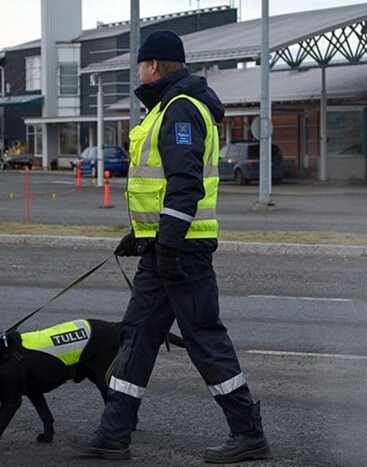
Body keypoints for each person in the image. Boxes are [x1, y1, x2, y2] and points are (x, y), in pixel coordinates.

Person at [66, 30, 270, 464]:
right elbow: (158, 188)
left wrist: (170, 245)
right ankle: (114, 433)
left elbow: (185, 184)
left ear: (154, 65)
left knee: (203, 339)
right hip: (163, 249)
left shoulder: (180, 110)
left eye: (140, 64)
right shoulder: (167, 108)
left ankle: (247, 433)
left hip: (183, 253)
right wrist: (143, 237)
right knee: (136, 336)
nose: (138, 72)